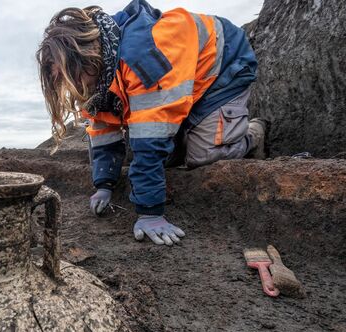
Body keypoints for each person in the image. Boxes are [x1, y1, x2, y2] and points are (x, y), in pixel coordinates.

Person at [37, 0, 264, 246]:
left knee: (204, 155)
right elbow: (104, 131)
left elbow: (151, 138)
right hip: (180, 83)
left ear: (86, 56)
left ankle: (255, 132)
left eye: (70, 74)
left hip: (222, 70)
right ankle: (196, 131)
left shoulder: (143, 56)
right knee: (158, 157)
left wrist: (150, 212)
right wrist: (104, 184)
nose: (70, 85)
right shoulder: (97, 78)